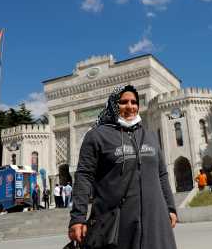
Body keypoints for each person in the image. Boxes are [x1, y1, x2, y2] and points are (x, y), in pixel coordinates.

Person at [68, 85, 178, 249]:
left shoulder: (149, 136)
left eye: (134, 102)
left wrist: (170, 207)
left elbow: (161, 174)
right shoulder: (97, 136)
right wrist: (78, 217)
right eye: (124, 102)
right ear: (114, 104)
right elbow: (84, 176)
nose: (130, 106)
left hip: (155, 219)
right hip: (117, 222)